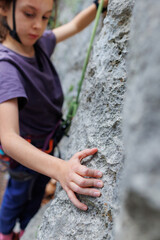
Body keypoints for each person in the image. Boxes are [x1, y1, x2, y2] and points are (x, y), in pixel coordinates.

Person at [0, 0, 108, 239]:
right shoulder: (6, 67)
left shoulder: (38, 44)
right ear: (4, 8)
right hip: (24, 155)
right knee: (17, 194)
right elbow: (8, 137)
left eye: (46, 17)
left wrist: (98, 5)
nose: (38, 25)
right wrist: (60, 169)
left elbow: (75, 25)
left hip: (44, 148)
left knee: (36, 191)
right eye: (29, 14)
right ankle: (5, 232)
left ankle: (26, 228)